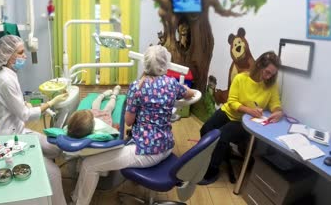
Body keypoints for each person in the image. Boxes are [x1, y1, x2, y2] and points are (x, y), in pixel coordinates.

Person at [70, 45, 195, 205]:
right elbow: (190, 93)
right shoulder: (172, 83)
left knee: (89, 165)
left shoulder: (138, 87)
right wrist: (183, 89)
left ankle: (78, 202)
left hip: (147, 151)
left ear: (146, 64)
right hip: (167, 145)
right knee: (100, 158)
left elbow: (128, 121)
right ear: (166, 63)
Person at [0, 35, 69, 205]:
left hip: (20, 131)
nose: (24, 56)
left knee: (55, 149)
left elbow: (16, 105)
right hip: (9, 140)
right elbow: (25, 115)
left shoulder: (10, 75)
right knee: (54, 173)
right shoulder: (5, 80)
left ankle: (39, 163)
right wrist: (50, 102)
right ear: (8, 56)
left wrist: (24, 103)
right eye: (20, 53)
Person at [199, 51, 282, 185]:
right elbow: (232, 102)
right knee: (205, 130)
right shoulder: (241, 78)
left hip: (244, 122)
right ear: (259, 65)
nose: (268, 77)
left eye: (272, 74)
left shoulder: (271, 86)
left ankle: (212, 171)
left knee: (221, 137)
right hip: (229, 112)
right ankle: (210, 157)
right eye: (267, 72)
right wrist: (249, 109)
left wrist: (278, 112)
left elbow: (275, 104)